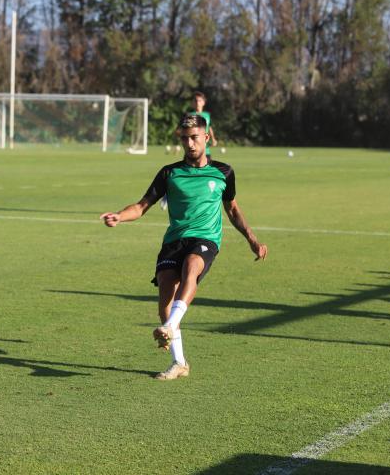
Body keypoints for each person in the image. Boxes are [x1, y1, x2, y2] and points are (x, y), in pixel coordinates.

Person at [100, 114, 267, 380]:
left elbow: (232, 209)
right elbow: (142, 206)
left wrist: (252, 239)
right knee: (166, 294)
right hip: (174, 240)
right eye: (185, 138)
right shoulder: (170, 173)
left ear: (206, 138)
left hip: (206, 238)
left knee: (192, 267)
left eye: (195, 138)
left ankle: (170, 326)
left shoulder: (223, 172)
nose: (190, 144)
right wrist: (120, 216)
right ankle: (179, 362)